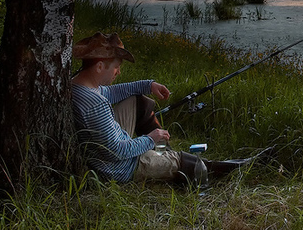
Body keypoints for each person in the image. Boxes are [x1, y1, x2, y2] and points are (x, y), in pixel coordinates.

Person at [70, 31, 216, 185]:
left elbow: (111, 92)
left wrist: (148, 85)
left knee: (137, 100)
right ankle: (226, 168)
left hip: (110, 151)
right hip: (121, 168)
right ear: (99, 66)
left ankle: (162, 151)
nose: (118, 72)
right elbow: (117, 151)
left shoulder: (79, 84)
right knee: (189, 163)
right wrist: (151, 138)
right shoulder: (95, 104)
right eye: (116, 67)